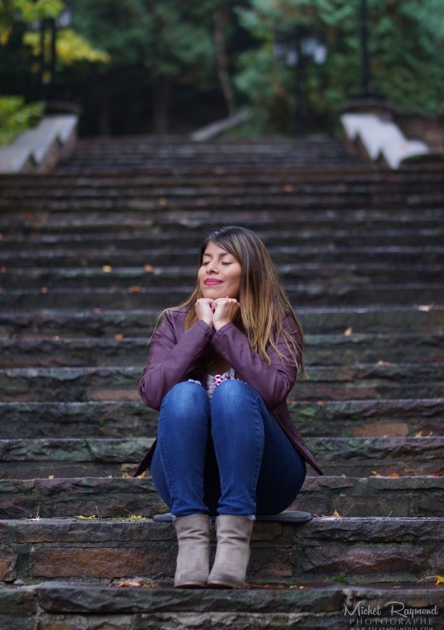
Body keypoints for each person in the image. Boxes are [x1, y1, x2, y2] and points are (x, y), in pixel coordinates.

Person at [134, 225, 322, 589]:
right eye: (205, 262)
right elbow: (154, 393)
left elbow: (272, 391)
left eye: (224, 261)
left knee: (233, 394)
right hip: (188, 483)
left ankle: (234, 544)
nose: (211, 270)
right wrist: (202, 328)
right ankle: (190, 545)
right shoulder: (175, 322)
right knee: (183, 394)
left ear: (249, 269)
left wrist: (225, 332)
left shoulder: (276, 322)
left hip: (266, 478)